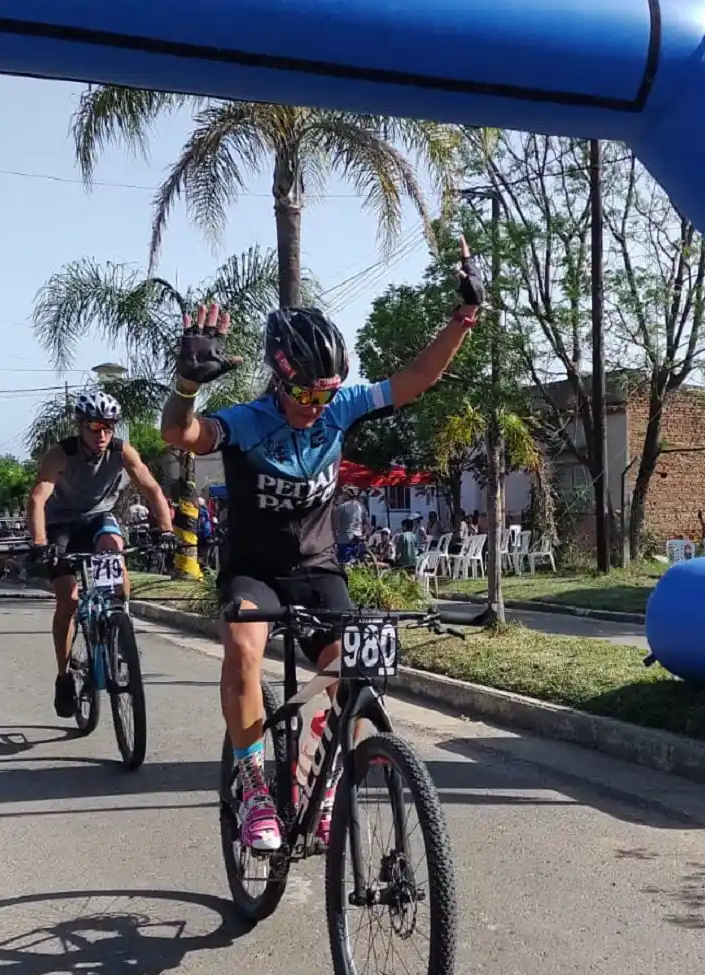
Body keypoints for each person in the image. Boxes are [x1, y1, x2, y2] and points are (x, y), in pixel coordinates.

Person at [159, 236, 485, 853]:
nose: (317, 405)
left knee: (352, 672)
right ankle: (254, 780)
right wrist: (184, 384)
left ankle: (321, 767)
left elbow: (415, 380)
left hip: (318, 567)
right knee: (243, 649)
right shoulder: (249, 422)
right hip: (255, 571)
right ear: (280, 380)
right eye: (306, 393)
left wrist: (462, 318)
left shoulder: (338, 411)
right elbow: (182, 433)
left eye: (327, 392)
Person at [27, 390, 174, 718]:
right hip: (61, 525)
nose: (102, 434)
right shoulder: (60, 454)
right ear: (80, 427)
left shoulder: (123, 452)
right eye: (94, 426)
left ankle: (120, 624)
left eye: (109, 426)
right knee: (68, 598)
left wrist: (166, 530)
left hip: (98, 519)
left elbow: (151, 488)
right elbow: (38, 497)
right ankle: (64, 676)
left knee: (114, 552)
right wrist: (39, 543)